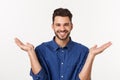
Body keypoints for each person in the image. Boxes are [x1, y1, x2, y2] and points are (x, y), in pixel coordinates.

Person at [15, 8, 112, 80]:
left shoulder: (83, 51)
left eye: (66, 24)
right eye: (58, 25)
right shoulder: (41, 50)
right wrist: (31, 52)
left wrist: (91, 55)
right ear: (52, 26)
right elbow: (40, 78)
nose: (62, 29)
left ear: (71, 26)